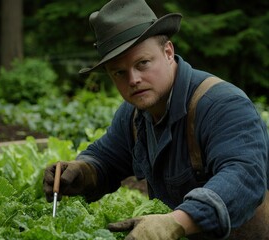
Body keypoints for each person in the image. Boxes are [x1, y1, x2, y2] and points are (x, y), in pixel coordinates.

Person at [43, 0, 269, 239]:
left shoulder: (223, 105)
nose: (133, 80)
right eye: (120, 72)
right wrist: (82, 172)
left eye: (142, 63)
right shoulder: (134, 114)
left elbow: (244, 177)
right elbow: (108, 157)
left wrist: (176, 222)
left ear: (168, 52)